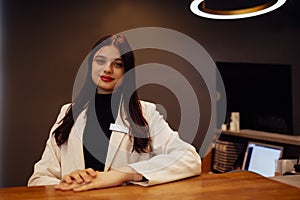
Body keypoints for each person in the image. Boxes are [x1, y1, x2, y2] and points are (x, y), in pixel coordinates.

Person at [27, 34, 201, 191]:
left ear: (127, 71)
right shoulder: (68, 112)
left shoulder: (146, 113)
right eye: (100, 61)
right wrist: (66, 183)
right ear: (90, 65)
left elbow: (189, 159)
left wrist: (125, 174)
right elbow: (38, 178)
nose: (108, 69)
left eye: (118, 64)